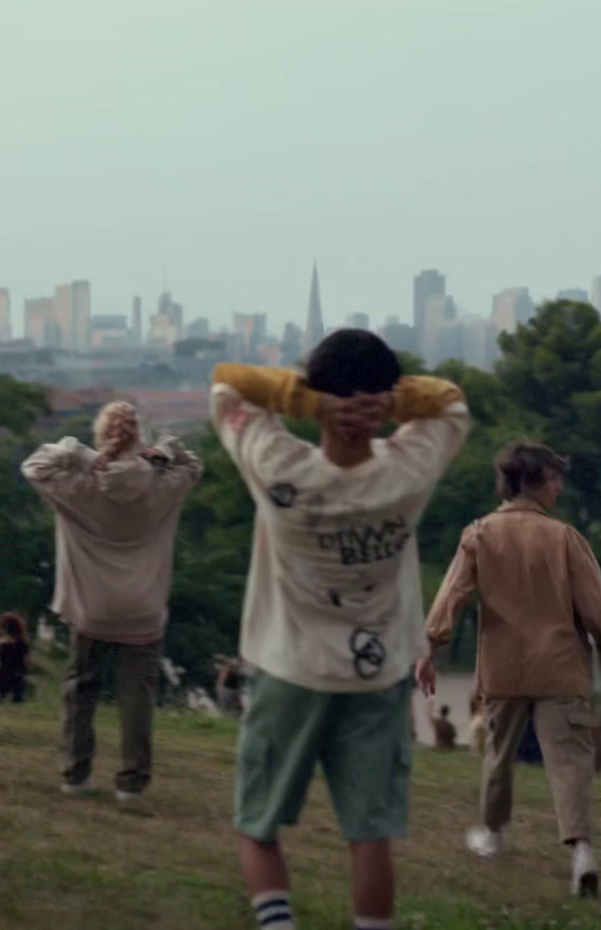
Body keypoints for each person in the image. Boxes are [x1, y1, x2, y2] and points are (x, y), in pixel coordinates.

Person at [212, 331, 470, 930]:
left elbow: (226, 382)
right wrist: (388, 401)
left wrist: (309, 402)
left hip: (290, 667)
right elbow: (452, 402)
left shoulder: (277, 466)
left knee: (258, 825)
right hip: (376, 676)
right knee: (369, 833)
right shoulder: (408, 472)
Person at [421, 440, 601, 900]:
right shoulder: (565, 537)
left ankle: (492, 834)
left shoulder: (480, 534)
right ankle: (582, 851)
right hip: (561, 665)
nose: (559, 488)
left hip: (503, 665)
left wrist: (430, 647)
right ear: (531, 481)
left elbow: (452, 595)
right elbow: (595, 608)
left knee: (498, 754)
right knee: (570, 760)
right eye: (553, 478)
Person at [22, 402, 203, 802]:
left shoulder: (79, 486)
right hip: (144, 606)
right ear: (139, 437)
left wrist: (80, 453)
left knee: (81, 687)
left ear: (100, 437)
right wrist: (166, 450)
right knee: (137, 694)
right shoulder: (163, 485)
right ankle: (132, 783)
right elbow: (193, 466)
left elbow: (34, 466)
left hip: (91, 606)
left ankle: (76, 773)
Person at [0, 612, 30, 704]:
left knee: (1, 699)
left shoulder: (0, 644)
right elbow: (27, 661)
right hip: (18, 676)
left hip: (3, 676)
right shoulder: (23, 644)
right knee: (17, 700)